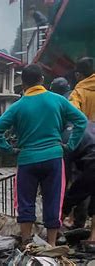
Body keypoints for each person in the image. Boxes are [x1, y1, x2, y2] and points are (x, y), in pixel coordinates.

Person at [0, 64, 87, 247]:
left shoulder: (17, 107)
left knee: (25, 202)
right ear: (42, 79)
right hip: (54, 158)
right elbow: (81, 120)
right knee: (53, 200)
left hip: (27, 160)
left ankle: (27, 243)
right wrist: (70, 145)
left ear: (23, 84)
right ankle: (51, 245)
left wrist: (9, 150)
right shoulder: (57, 100)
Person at [51, 82, 95, 232]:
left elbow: (65, 174)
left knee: (73, 194)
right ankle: (92, 236)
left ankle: (56, 229)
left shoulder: (66, 135)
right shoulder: (87, 123)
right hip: (89, 158)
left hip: (91, 162)